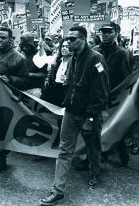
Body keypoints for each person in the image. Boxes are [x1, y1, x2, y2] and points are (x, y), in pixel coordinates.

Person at [40, 26, 109, 206]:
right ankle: (58, 190)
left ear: (84, 39)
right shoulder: (72, 59)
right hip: (71, 112)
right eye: (67, 39)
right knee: (64, 151)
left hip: (89, 114)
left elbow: (101, 92)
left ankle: (95, 173)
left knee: (92, 146)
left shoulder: (97, 59)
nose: (68, 41)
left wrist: (91, 117)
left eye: (73, 39)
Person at [75, 22, 131, 171]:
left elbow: (126, 78)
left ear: (116, 33)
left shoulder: (122, 53)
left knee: (112, 126)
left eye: (108, 32)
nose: (105, 34)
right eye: (103, 32)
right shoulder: (94, 50)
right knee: (93, 130)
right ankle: (89, 159)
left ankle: (123, 153)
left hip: (113, 96)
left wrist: (118, 96)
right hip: (96, 96)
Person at [0, 27, 29, 173]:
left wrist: (10, 79)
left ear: (10, 39)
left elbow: (25, 80)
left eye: (3, 38)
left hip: (8, 99)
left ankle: (0, 160)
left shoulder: (18, 58)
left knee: (2, 129)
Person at [41, 39, 72, 106]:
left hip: (66, 91)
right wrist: (48, 80)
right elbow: (51, 72)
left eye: (67, 46)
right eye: (63, 46)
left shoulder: (74, 62)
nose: (64, 48)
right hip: (55, 89)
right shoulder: (58, 60)